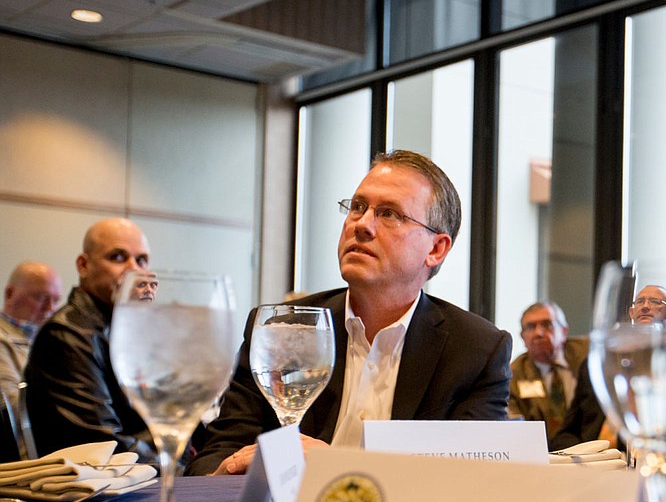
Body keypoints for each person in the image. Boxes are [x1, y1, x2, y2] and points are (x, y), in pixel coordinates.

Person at [188, 150, 512, 476]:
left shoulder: (477, 351)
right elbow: (215, 456)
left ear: (436, 248)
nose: (362, 225)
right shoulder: (283, 329)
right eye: (358, 207)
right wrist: (226, 472)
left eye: (389, 213)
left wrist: (334, 467)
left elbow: (472, 481)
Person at [23, 218, 156, 460]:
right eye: (118, 257)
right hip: (96, 490)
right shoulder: (67, 336)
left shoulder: (119, 328)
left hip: (133, 479)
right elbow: (102, 447)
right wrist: (178, 458)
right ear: (83, 265)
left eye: (141, 260)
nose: (134, 270)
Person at [549, 284, 666, 451]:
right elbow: (568, 430)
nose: (645, 307)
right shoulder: (597, 363)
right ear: (631, 312)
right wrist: (581, 456)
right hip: (594, 459)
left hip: (646, 454)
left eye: (655, 302)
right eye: (640, 302)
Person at [508, 301, 588, 445]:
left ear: (563, 331)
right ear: (522, 337)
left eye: (547, 324)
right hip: (540, 453)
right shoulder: (513, 375)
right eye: (531, 327)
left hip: (594, 450)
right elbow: (513, 427)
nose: (539, 333)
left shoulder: (588, 355)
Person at [0, 262, 62, 392]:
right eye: (42, 298)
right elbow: (11, 406)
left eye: (56, 300)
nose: (51, 309)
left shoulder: (55, 339)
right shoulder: (2, 340)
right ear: (10, 294)